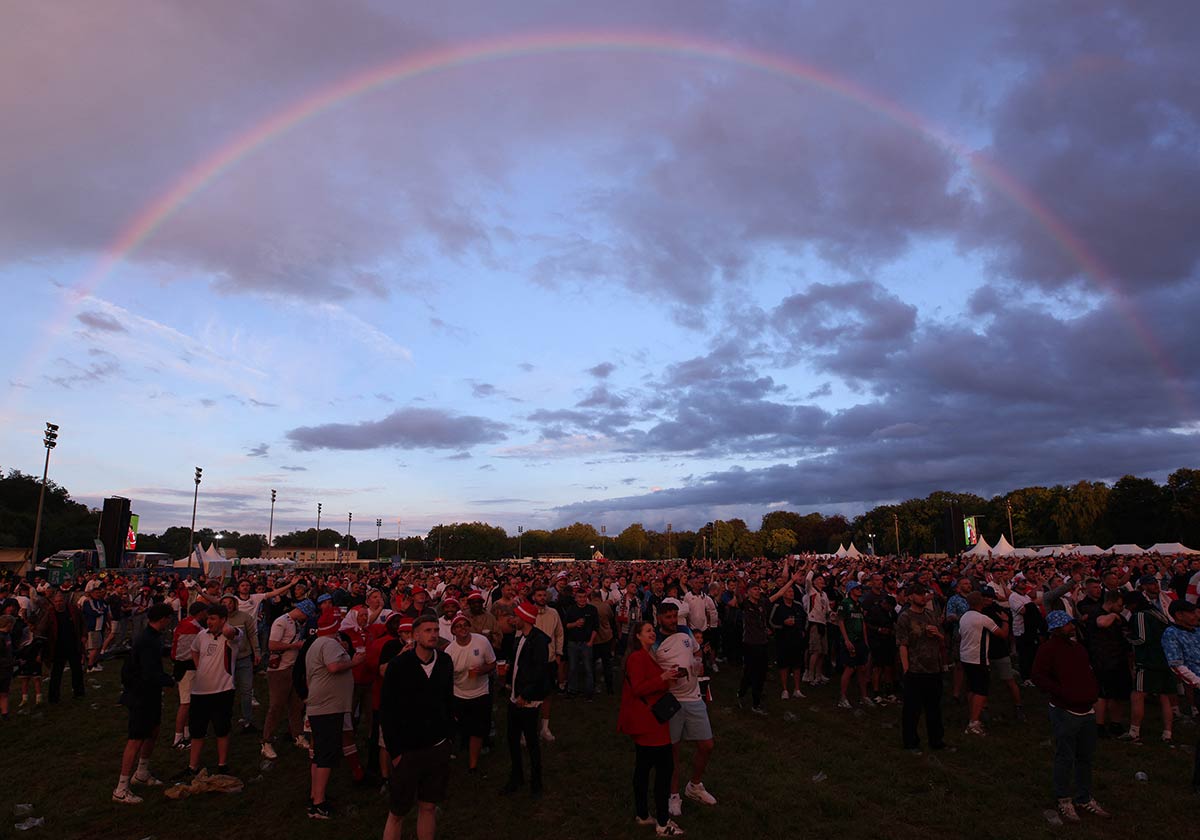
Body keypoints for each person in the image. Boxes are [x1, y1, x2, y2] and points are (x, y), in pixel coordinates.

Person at [379, 613, 454, 839]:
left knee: (428, 806)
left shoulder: (445, 661)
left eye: (435, 630)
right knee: (398, 812)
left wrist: (448, 738)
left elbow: (448, 699)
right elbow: (387, 710)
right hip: (408, 750)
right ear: (415, 635)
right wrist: (396, 752)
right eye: (427, 631)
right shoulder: (399, 666)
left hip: (438, 746)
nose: (433, 635)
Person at [1031, 611, 1111, 822]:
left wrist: (1091, 690)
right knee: (1065, 756)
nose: (1071, 627)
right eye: (1067, 624)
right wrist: (1062, 692)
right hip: (1065, 710)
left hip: (1086, 708)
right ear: (1057, 628)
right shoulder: (1048, 650)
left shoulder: (1078, 649)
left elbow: (1087, 671)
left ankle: (1084, 797)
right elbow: (1038, 676)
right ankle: (1063, 798)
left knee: (1085, 757)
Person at [619, 620, 684, 836]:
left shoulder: (648, 655)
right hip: (650, 723)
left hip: (649, 721)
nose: (652, 633)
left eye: (652, 630)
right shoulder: (637, 658)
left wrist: (668, 678)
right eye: (648, 631)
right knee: (663, 772)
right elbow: (638, 688)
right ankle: (663, 823)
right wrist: (662, 677)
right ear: (637, 636)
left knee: (644, 769)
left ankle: (643, 814)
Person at [653, 600, 717, 818]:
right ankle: (673, 794)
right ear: (660, 618)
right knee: (673, 751)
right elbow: (651, 672)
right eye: (668, 617)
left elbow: (697, 651)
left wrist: (697, 663)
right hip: (671, 699)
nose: (672, 621)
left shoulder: (685, 630)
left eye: (675, 616)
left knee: (707, 745)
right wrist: (667, 676)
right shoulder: (655, 640)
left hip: (693, 696)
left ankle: (694, 785)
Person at [112, 603, 176, 804]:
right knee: (136, 737)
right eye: (169, 618)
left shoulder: (153, 637)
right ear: (163, 618)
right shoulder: (147, 640)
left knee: (153, 730)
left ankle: (141, 772)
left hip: (151, 694)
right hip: (140, 694)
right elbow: (149, 673)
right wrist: (170, 680)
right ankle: (121, 788)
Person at [304, 613, 366, 819]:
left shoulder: (315, 644)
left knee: (320, 752)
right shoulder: (329, 644)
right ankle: (319, 804)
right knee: (327, 754)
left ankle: (315, 795)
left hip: (321, 705)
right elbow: (333, 667)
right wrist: (354, 662)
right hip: (328, 707)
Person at [179, 603, 242, 779]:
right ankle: (193, 766)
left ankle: (222, 765)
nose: (209, 622)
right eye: (208, 618)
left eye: (213, 618)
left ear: (223, 620)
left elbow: (231, 632)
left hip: (223, 690)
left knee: (222, 729)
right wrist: (199, 667)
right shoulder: (201, 635)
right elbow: (194, 650)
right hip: (200, 691)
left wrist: (224, 623)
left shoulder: (232, 636)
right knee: (197, 730)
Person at [501, 600, 553, 799]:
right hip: (515, 697)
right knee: (512, 740)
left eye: (515, 616)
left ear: (524, 618)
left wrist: (526, 694)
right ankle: (516, 777)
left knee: (531, 742)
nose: (511, 619)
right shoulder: (519, 637)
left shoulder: (538, 641)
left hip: (527, 701)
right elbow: (519, 665)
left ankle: (536, 783)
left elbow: (539, 672)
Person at [261, 599, 315, 759]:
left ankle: (297, 735)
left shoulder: (295, 623)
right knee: (276, 706)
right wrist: (294, 646)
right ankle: (266, 741)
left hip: (293, 668)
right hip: (279, 670)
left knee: (296, 705)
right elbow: (272, 645)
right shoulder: (281, 622)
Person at [895, 583, 946, 751]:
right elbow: (902, 644)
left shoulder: (931, 615)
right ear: (910, 597)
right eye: (918, 594)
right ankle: (910, 743)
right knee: (912, 710)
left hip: (933, 668)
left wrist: (938, 635)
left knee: (934, 709)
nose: (923, 597)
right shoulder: (905, 617)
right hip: (915, 669)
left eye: (924, 593)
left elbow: (942, 639)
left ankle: (936, 741)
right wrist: (906, 669)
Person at [1121, 591, 1175, 744]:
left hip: (1148, 661)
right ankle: (1167, 733)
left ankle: (1134, 731)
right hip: (1165, 660)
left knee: (1138, 694)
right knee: (1165, 697)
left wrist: (1127, 638)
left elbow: (1142, 638)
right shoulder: (1158, 613)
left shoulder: (1140, 616)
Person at [446, 611, 496, 773]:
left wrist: (483, 670)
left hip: (481, 692)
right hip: (459, 694)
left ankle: (473, 764)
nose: (463, 628)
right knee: (462, 728)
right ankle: (458, 748)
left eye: (465, 625)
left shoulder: (481, 641)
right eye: (458, 626)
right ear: (453, 631)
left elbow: (492, 663)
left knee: (478, 729)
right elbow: (447, 678)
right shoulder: (450, 651)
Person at [1160, 600, 1200, 793]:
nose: (1195, 616)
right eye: (1191, 613)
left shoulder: (1198, 630)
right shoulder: (1171, 634)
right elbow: (1176, 664)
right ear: (1179, 615)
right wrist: (1197, 682)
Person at [959, 591, 1009, 735]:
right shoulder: (983, 619)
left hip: (966, 657)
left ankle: (973, 716)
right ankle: (974, 723)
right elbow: (1002, 634)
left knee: (972, 688)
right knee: (981, 690)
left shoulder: (964, 617)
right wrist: (1005, 621)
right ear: (980, 603)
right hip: (978, 658)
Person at [219, 594, 261, 733]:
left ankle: (247, 719)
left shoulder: (244, 617)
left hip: (243, 657)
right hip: (226, 659)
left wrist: (257, 652)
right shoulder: (218, 619)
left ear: (235, 603)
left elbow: (252, 635)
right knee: (226, 690)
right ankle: (225, 718)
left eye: (230, 602)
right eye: (224, 602)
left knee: (246, 689)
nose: (227, 605)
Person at [170, 602, 207, 750]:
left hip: (188, 667)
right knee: (186, 703)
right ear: (200, 612)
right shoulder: (190, 627)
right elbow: (185, 652)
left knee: (189, 702)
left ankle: (186, 732)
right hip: (187, 668)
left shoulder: (189, 624)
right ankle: (178, 737)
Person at [768, 572, 807, 700]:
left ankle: (797, 688)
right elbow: (771, 622)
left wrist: (801, 630)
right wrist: (782, 624)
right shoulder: (778, 606)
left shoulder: (798, 605)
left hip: (796, 638)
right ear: (783, 593)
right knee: (784, 665)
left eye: (792, 592)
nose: (791, 593)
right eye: (788, 591)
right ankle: (785, 689)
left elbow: (804, 619)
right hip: (783, 638)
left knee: (797, 665)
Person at [41, 590, 84, 704]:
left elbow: (82, 622)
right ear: (53, 602)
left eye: (60, 601)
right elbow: (42, 629)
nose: (58, 603)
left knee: (77, 670)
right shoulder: (50, 613)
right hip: (58, 647)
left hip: (73, 645)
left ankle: (79, 692)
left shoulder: (73, 610)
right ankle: (54, 697)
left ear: (64, 601)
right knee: (56, 673)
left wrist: (83, 636)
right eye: (56, 601)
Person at [836, 582, 872, 709]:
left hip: (860, 641)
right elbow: (840, 621)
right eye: (857, 588)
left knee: (862, 667)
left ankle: (864, 696)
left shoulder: (859, 605)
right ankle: (843, 697)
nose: (860, 590)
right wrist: (846, 640)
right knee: (850, 668)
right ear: (851, 590)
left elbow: (862, 623)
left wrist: (865, 641)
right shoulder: (845, 604)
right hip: (850, 640)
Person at [736, 582, 769, 714]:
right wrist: (738, 582)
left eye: (758, 589)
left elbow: (777, 595)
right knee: (750, 672)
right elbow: (737, 595)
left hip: (763, 642)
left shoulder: (762, 603)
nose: (757, 591)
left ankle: (756, 701)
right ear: (748, 592)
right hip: (750, 643)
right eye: (754, 589)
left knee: (761, 673)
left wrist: (792, 580)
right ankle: (742, 693)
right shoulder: (745, 604)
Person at [562, 587, 599, 699]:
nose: (582, 599)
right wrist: (575, 624)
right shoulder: (571, 609)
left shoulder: (592, 609)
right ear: (576, 598)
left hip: (586, 643)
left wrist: (591, 642)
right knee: (573, 668)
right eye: (580, 597)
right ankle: (572, 690)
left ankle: (589, 692)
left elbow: (596, 627)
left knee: (588, 668)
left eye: (584, 597)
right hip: (573, 643)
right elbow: (566, 626)